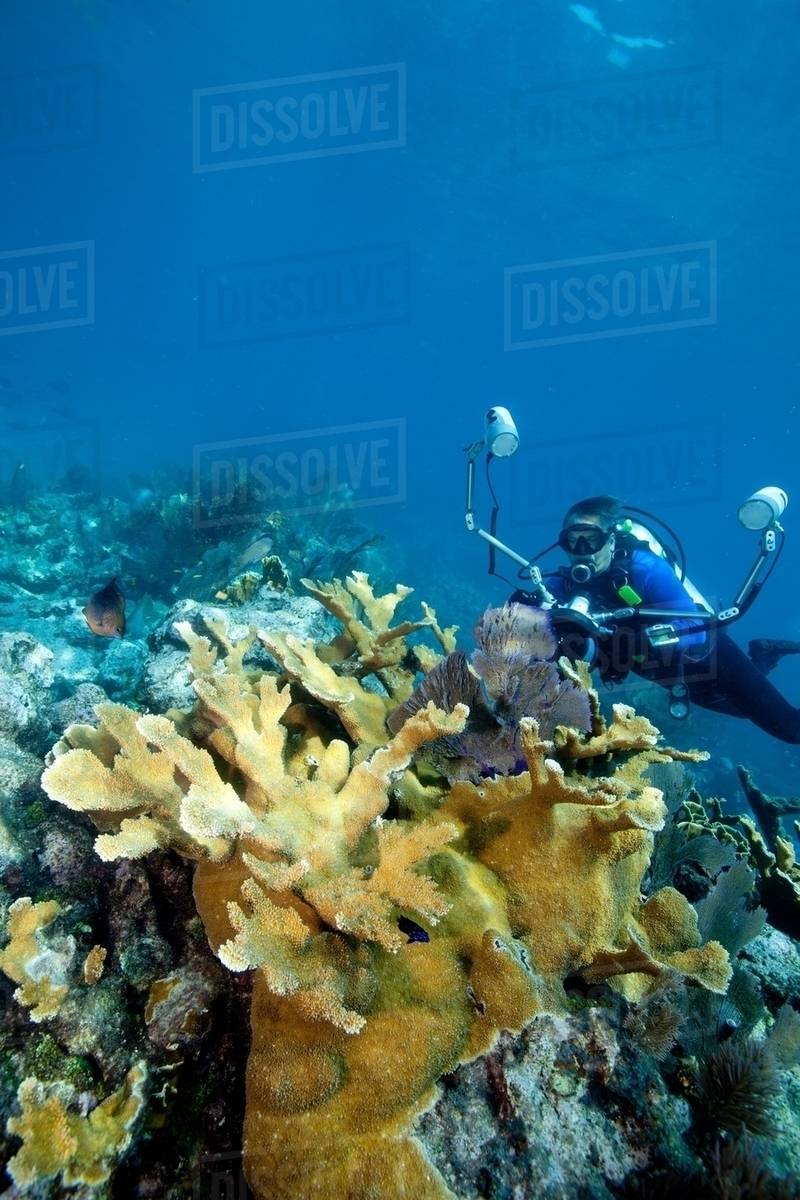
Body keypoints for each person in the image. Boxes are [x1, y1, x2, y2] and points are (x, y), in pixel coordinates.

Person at [509, 495, 800, 743]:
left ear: (610, 540)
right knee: (740, 710)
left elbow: (695, 626)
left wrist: (644, 640)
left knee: (789, 728)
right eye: (572, 542)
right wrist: (521, 609)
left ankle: (764, 656)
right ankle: (765, 653)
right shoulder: (564, 584)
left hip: (707, 657)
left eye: (591, 539)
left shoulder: (645, 569)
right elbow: (537, 618)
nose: (582, 551)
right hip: (665, 674)